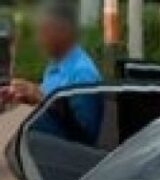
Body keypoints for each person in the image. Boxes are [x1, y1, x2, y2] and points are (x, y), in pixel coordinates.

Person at [0, 0, 102, 143]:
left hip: (59, 155)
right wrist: (25, 97)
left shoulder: (82, 73)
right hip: (37, 145)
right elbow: (48, 111)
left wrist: (41, 97)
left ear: (64, 31)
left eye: (46, 31)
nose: (40, 39)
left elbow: (83, 138)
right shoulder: (56, 65)